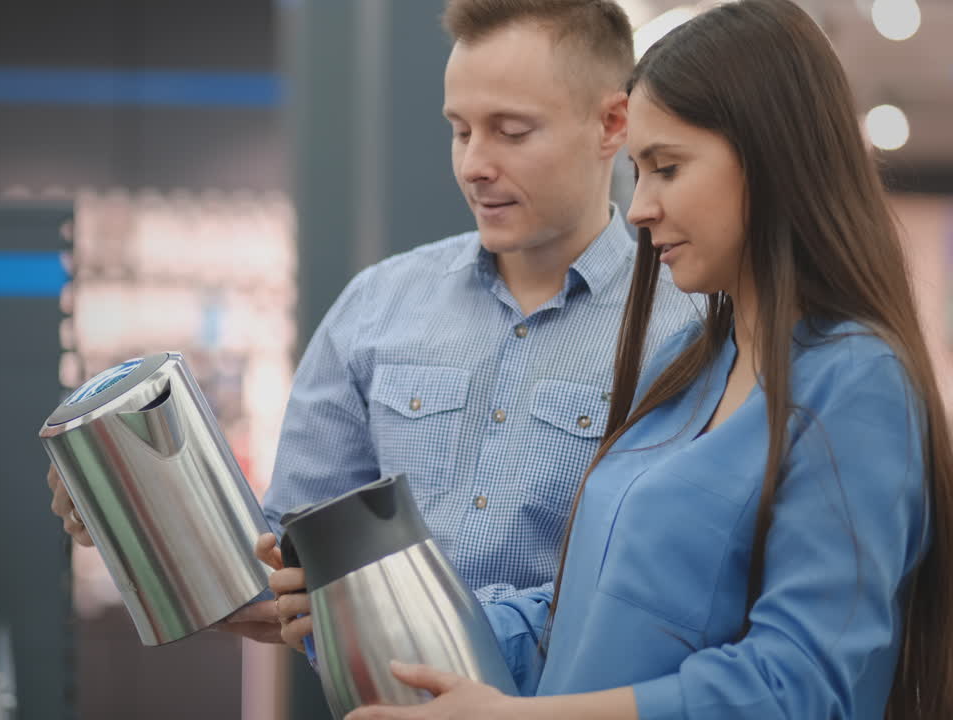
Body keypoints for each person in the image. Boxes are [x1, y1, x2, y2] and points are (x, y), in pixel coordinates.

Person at [342, 1, 953, 718]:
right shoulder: (690, 363)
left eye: (667, 168)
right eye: (639, 171)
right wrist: (370, 613)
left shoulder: (856, 381)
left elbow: (799, 685)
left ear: (771, 157)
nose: (640, 207)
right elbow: (583, 610)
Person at [46, 0, 698, 646]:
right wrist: (136, 515)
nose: (475, 164)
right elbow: (282, 573)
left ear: (612, 123)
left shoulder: (688, 324)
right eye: (460, 130)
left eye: (512, 131)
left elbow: (672, 596)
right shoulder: (378, 309)